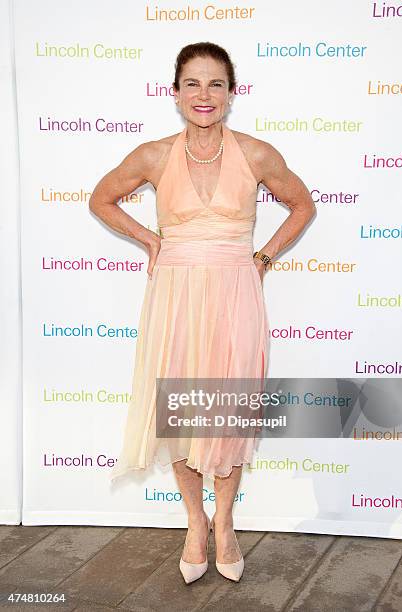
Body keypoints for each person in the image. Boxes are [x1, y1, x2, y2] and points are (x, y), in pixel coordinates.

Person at [89, 42, 316, 584]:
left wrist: (263, 257)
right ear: (175, 93)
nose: (204, 95)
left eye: (216, 83)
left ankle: (227, 522)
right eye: (192, 83)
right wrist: (149, 239)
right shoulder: (153, 155)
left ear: (231, 93)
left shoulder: (257, 154)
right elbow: (101, 198)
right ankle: (195, 522)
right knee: (184, 411)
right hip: (175, 295)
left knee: (229, 410)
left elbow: (303, 204)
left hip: (237, 292)